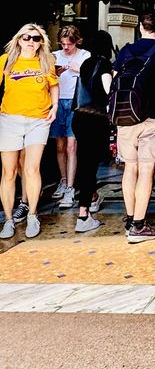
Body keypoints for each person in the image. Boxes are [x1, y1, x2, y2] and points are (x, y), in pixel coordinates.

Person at [113, 10, 155, 243]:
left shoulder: (126, 50)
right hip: (152, 116)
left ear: (140, 26)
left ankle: (131, 219)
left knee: (130, 168)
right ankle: (139, 227)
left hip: (125, 116)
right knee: (147, 169)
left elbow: (114, 81)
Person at [0, 24, 59, 239]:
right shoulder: (5, 61)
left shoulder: (46, 61)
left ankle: (32, 214)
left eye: (36, 38)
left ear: (41, 42)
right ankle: (8, 220)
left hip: (38, 120)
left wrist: (54, 106)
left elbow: (53, 85)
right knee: (9, 171)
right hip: (9, 119)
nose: (31, 41)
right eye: (26, 37)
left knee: (32, 168)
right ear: (18, 39)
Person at [71, 31, 114, 233]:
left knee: (84, 162)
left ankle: (90, 200)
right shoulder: (104, 63)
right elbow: (108, 90)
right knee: (90, 165)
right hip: (96, 119)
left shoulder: (86, 63)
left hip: (80, 117)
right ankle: (83, 213)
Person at [51, 25, 91, 209]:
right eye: (63, 43)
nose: (66, 47)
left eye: (69, 44)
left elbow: (90, 76)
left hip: (76, 103)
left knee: (71, 145)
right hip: (57, 102)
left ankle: (70, 187)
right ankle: (63, 178)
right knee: (59, 145)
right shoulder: (54, 56)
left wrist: (78, 69)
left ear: (77, 41)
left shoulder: (84, 56)